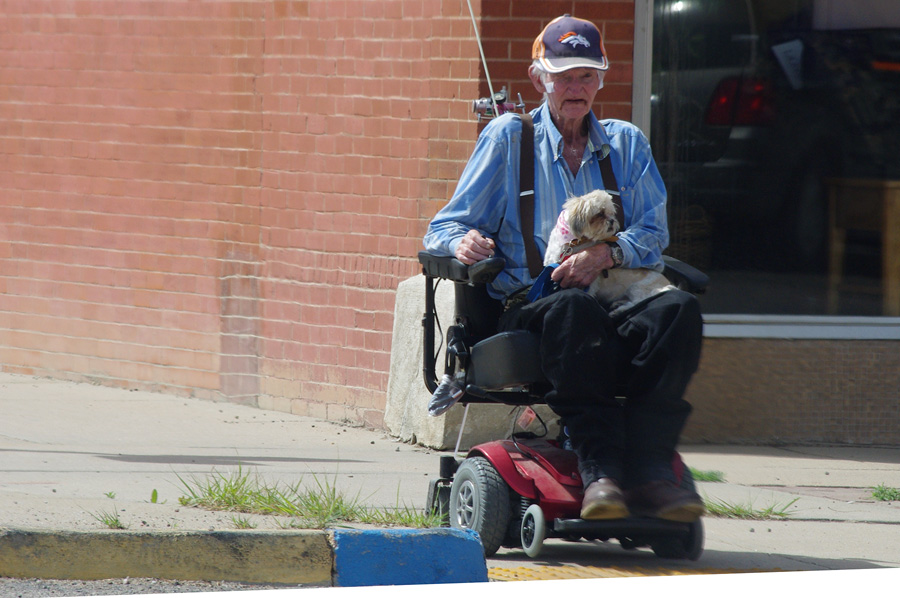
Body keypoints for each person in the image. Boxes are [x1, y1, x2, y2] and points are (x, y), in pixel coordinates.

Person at [424, 14, 704, 522]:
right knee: (573, 308)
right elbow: (443, 227)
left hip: (615, 296)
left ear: (602, 77)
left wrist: (608, 253)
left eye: (586, 75)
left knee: (678, 309)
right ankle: (600, 471)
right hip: (533, 305)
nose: (575, 87)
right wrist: (462, 241)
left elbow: (654, 234)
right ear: (539, 79)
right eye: (563, 75)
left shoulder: (626, 143)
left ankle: (652, 469)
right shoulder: (510, 138)